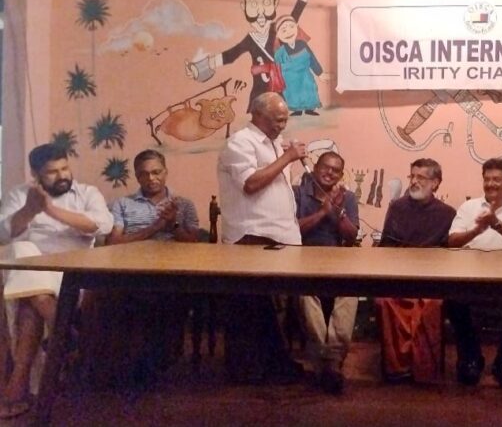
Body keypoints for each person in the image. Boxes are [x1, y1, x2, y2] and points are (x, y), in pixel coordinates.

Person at [0, 144, 113, 419]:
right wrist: (29, 210)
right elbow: (4, 233)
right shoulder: (20, 195)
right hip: (33, 270)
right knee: (22, 251)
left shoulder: (87, 193)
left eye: (64, 168)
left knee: (29, 301)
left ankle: (17, 387)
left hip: (72, 273)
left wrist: (49, 210)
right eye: (52, 172)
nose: (62, 175)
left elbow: (103, 225)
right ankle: (64, 328)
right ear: (36, 174)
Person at [83, 149, 199, 387]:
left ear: (165, 172)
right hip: (131, 272)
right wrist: (156, 227)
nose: (151, 178)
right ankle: (123, 367)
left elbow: (195, 245)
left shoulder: (183, 204)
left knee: (166, 302)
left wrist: (173, 224)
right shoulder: (122, 204)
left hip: (173, 273)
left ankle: (154, 365)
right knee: (112, 300)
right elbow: (114, 242)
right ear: (137, 176)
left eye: (156, 172)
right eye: (144, 174)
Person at [216, 91, 307, 383]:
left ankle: (274, 365)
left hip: (279, 237)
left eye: (285, 120)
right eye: (276, 120)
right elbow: (251, 183)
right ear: (257, 115)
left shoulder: (274, 143)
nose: (282, 125)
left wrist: (285, 155)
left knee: (269, 308)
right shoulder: (239, 143)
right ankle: (250, 371)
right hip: (252, 237)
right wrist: (288, 157)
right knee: (251, 309)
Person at [445, 158, 502, 391]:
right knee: (452, 301)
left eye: (497, 179)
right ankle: (471, 358)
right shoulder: (469, 207)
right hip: (470, 277)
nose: (490, 184)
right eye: (487, 179)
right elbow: (452, 241)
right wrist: (477, 230)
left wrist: (496, 223)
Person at [186, 0, 319, 114]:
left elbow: (296, 12)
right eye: (253, 4)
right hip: (260, 93)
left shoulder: (278, 30)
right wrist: (199, 68)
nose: (260, 12)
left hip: (282, 90)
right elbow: (230, 56)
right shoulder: (250, 39)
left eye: (267, 3)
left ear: (275, 4)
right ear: (244, 7)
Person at [375, 158, 456, 383]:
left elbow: (449, 254)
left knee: (431, 305)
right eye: (412, 176)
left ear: (435, 183)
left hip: (431, 278)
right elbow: (386, 246)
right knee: (385, 302)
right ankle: (397, 367)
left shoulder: (448, 213)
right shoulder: (397, 207)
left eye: (421, 177)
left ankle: (424, 367)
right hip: (398, 276)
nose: (414, 181)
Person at [293, 152, 359, 394]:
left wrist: (337, 211)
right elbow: (292, 230)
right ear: (315, 168)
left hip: (336, 261)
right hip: (302, 259)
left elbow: (351, 236)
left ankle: (331, 359)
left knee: (350, 293)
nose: (330, 173)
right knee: (305, 294)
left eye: (336, 170)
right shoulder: (297, 193)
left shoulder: (348, 197)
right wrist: (322, 211)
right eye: (325, 167)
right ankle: (327, 361)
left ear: (341, 175)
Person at [274, 15, 324, 116]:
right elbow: (277, 69)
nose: (288, 32)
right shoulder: (280, 52)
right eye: (284, 30)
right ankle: (297, 110)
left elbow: (312, 59)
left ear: (297, 27)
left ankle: (310, 108)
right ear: (278, 35)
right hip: (290, 80)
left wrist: (320, 73)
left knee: (309, 89)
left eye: (291, 27)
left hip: (305, 76)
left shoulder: (302, 44)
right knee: (293, 93)